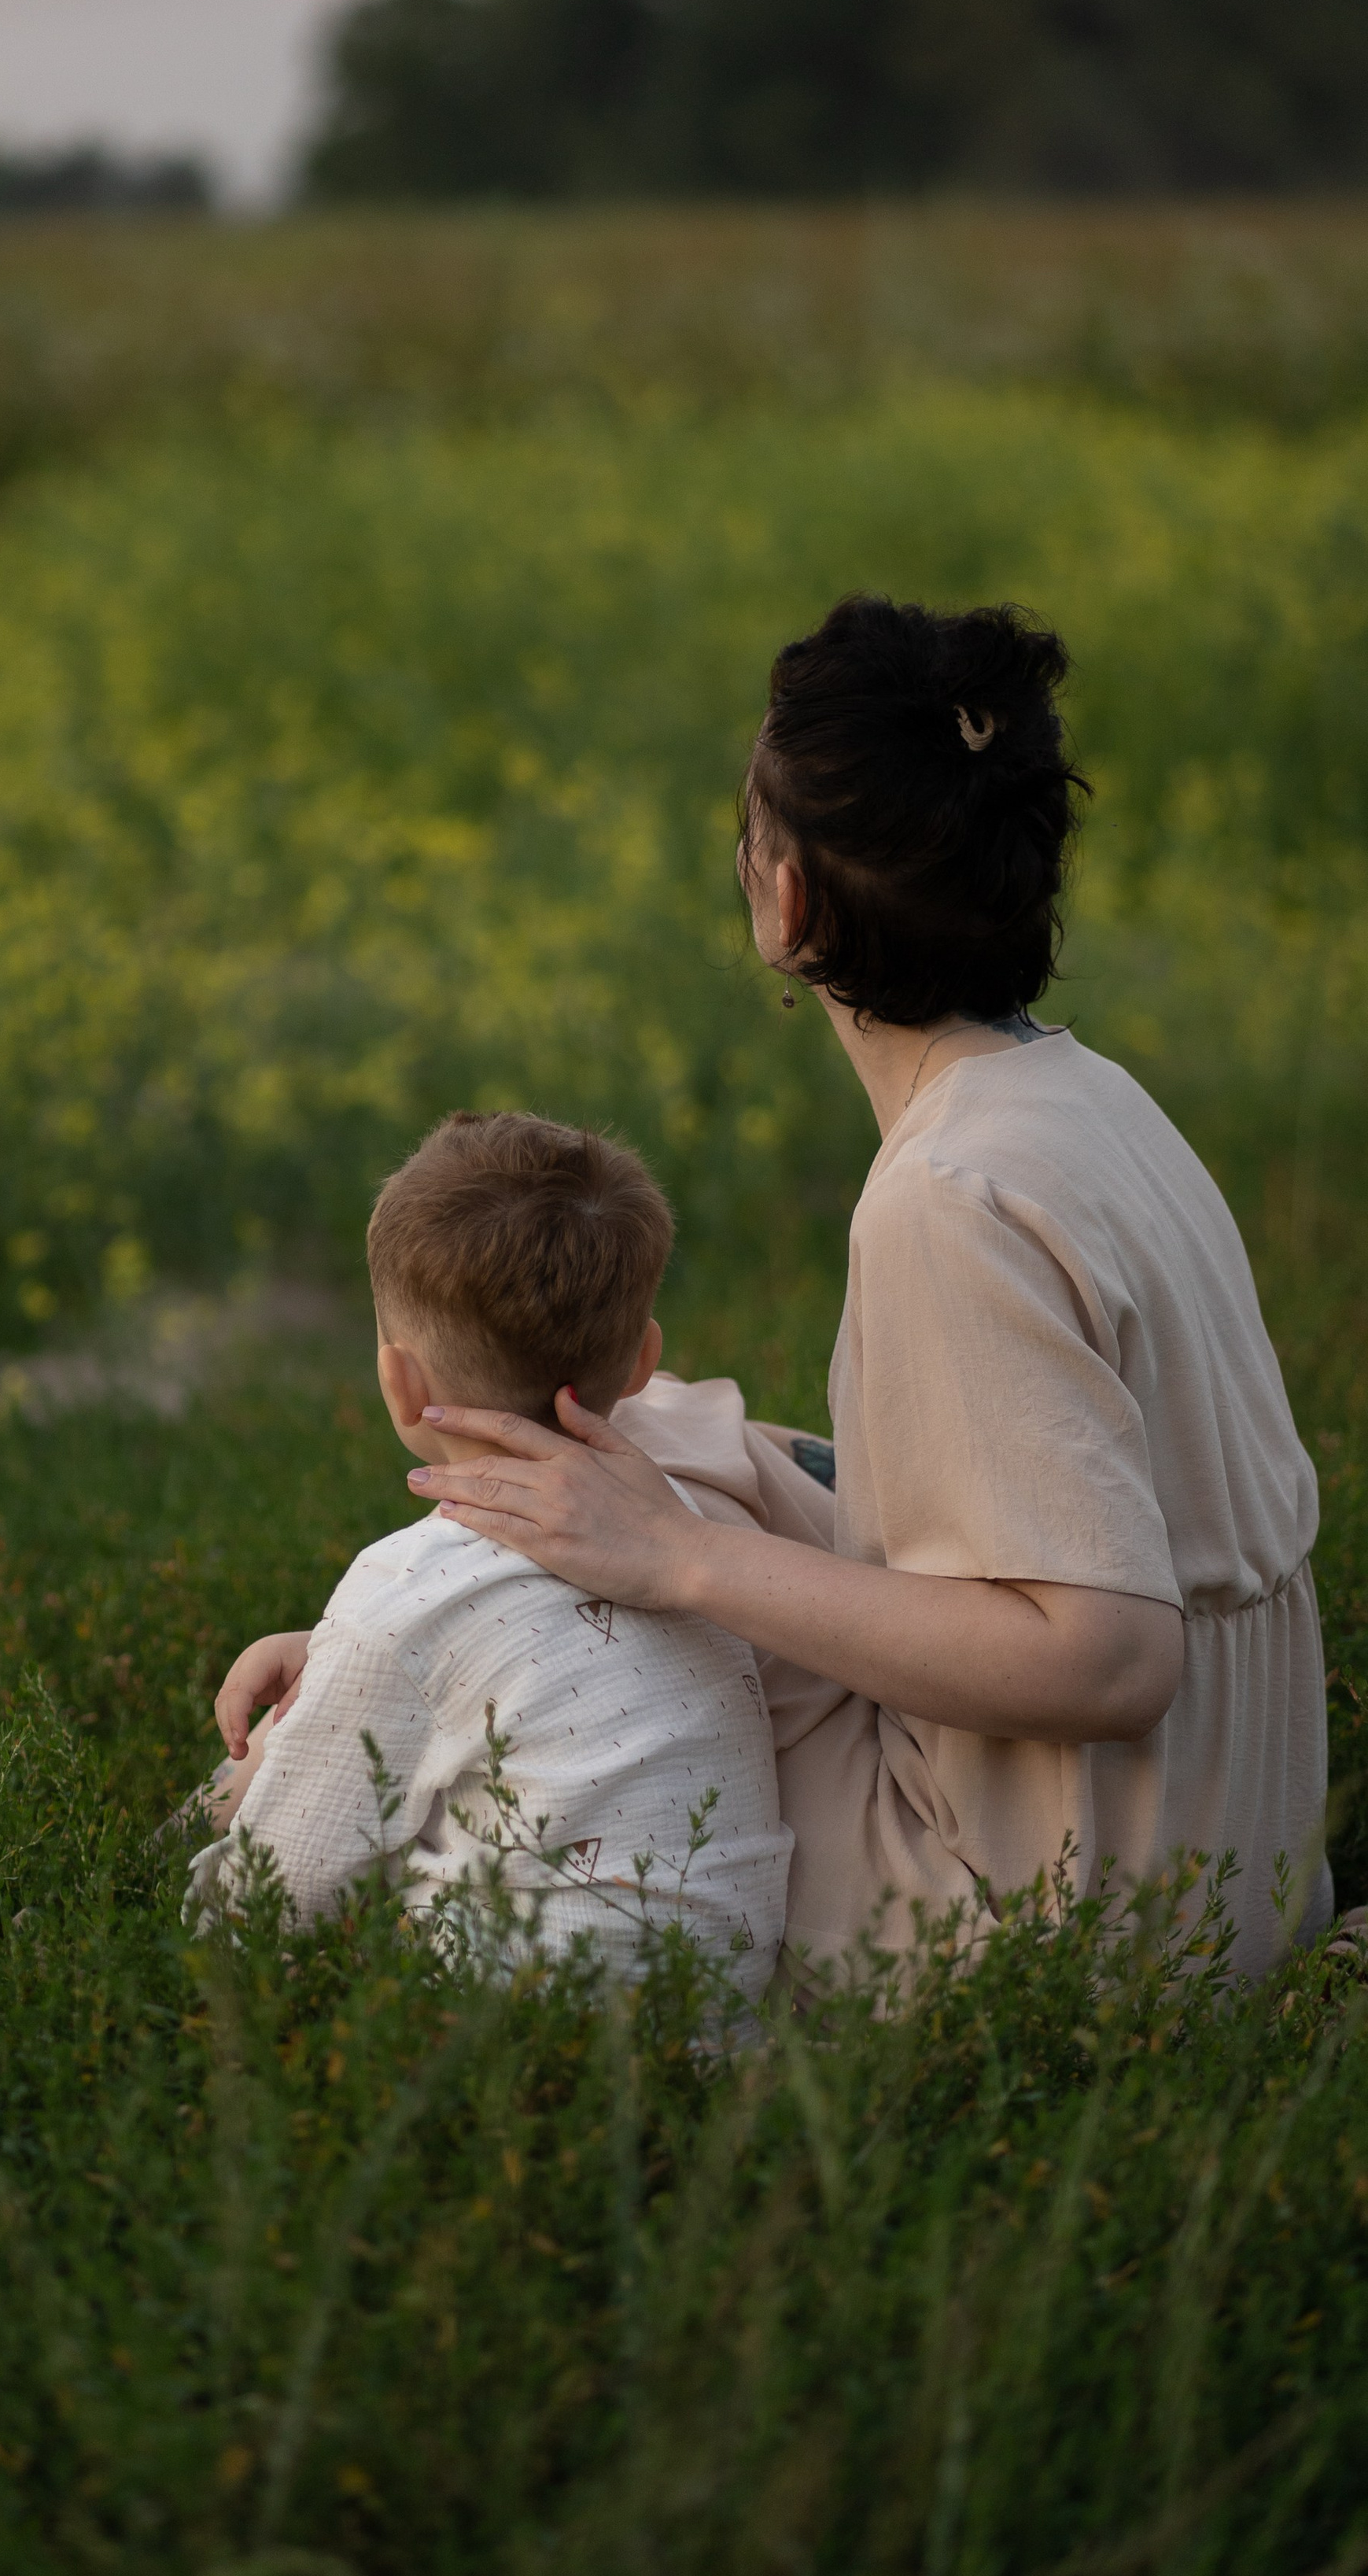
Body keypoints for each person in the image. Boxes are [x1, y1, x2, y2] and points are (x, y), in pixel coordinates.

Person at [219, 598, 1328, 1979]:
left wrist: (681, 1557)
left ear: (790, 900)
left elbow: (1109, 1662)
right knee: (678, 1441)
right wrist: (678, 1510)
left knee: (654, 1586)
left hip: (1067, 1906)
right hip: (1234, 1838)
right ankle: (399, 1648)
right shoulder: (1087, 1098)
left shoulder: (948, 1202)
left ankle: (385, 1693)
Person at [188, 1110, 793, 2000]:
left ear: (399, 1381)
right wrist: (334, 1655)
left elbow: (270, 1905)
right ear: (643, 1364)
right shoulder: (693, 1532)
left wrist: (168, 1897)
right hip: (716, 2037)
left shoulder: (406, 1591)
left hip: (503, 2041)